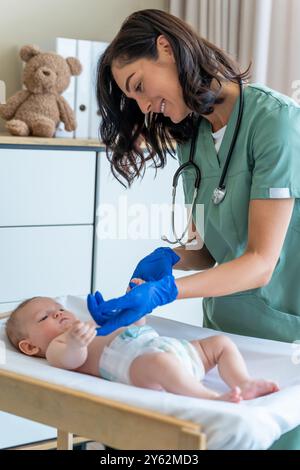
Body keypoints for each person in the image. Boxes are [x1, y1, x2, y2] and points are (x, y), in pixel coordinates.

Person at [91, 9, 300, 448]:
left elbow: (260, 262)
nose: (145, 106)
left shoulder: (274, 121)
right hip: (224, 338)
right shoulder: (191, 134)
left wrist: (167, 291)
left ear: (165, 47)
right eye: (135, 100)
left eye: (140, 87)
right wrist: (169, 258)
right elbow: (207, 249)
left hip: (285, 341)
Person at [5, 295, 278, 402]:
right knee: (161, 364)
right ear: (29, 347)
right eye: (45, 318)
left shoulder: (91, 322)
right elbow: (70, 360)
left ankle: (244, 382)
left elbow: (137, 323)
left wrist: (135, 308)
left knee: (220, 344)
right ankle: (209, 397)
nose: (58, 314)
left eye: (59, 309)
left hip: (176, 350)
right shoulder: (59, 345)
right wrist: (76, 342)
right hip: (142, 366)